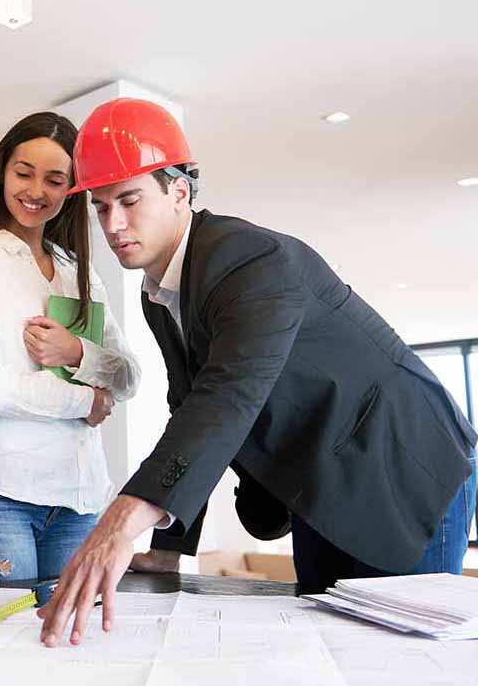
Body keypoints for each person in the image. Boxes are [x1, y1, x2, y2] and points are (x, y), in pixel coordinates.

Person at [39, 97, 478, 646]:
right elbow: (191, 408)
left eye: (128, 200)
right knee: (331, 643)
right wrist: (172, 547)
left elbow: (227, 398)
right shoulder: (159, 295)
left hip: (405, 468)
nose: (113, 224)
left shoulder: (249, 259)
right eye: (100, 207)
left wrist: (123, 519)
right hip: (321, 483)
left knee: (398, 654)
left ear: (180, 191)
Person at [0, 112, 140, 585]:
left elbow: (129, 376)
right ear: (2, 172)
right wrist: (86, 399)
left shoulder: (79, 271)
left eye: (55, 180)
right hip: (3, 494)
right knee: (6, 643)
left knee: (73, 645)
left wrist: (78, 353)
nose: (36, 191)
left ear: (72, 189)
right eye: (23, 173)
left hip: (82, 496)